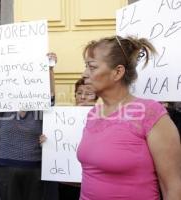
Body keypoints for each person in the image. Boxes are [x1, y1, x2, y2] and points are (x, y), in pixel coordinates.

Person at [77, 35, 181, 200]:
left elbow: (173, 188)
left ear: (117, 72)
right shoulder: (93, 114)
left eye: (92, 67)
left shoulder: (151, 113)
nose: (84, 74)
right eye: (86, 66)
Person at [0, 53, 57, 200]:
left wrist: (49, 69)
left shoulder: (39, 106)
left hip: (34, 168)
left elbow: (51, 95)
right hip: (6, 166)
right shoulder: (4, 105)